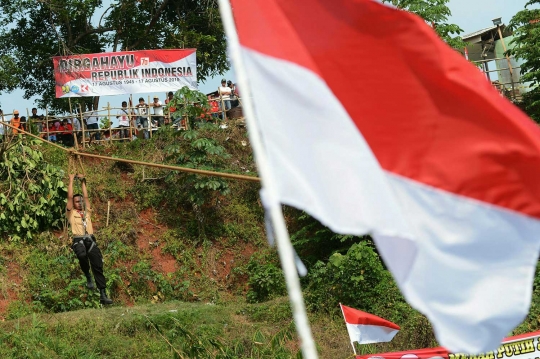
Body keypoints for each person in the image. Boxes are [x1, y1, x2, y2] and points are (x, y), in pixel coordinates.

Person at [66, 174, 113, 305]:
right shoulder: (71, 213)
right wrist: (70, 180)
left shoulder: (87, 212)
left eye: (81, 201)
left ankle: (103, 294)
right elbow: (69, 197)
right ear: (74, 204)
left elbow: (86, 197)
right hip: (78, 240)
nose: (80, 203)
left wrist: (83, 182)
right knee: (81, 254)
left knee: (97, 265)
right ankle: (87, 275)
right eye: (77, 201)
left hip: (90, 240)